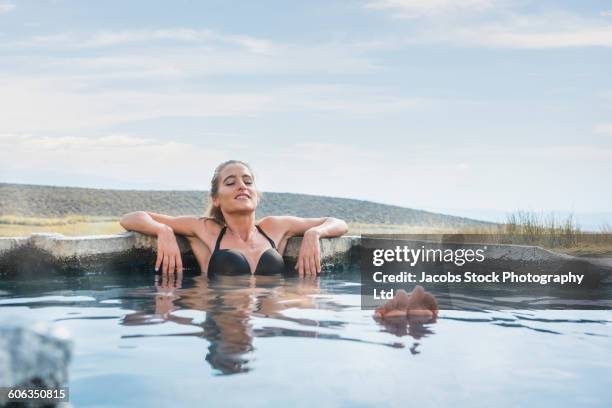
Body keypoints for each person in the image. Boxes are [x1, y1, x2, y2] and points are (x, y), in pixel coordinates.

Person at [119, 159, 349, 276]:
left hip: (268, 318)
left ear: (256, 195)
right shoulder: (206, 229)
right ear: (216, 199)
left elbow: (339, 223)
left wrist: (314, 233)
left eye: (248, 182)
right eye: (231, 182)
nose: (242, 186)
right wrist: (163, 231)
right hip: (220, 313)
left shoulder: (274, 227)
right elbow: (131, 218)